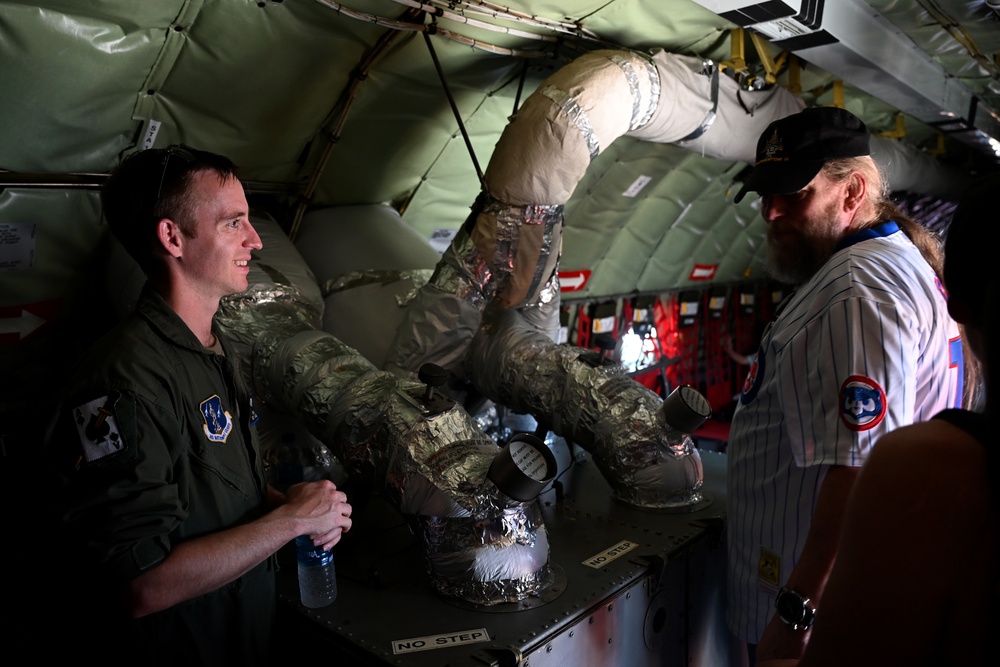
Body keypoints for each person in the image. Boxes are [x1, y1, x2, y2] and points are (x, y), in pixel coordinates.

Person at [45, 145, 353, 666]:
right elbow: (141, 584)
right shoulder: (123, 382)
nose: (256, 242)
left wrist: (291, 504)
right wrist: (289, 524)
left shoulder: (213, 347)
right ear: (172, 237)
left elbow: (212, 489)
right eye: (234, 223)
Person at [726, 106, 968, 664]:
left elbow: (862, 469)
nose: (771, 211)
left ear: (852, 191)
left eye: (794, 193)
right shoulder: (892, 263)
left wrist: (798, 613)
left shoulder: (855, 289)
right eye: (765, 193)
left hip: (812, 621)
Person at [758, 172, 999, 667]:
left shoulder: (930, 470)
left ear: (956, 301)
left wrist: (793, 622)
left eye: (794, 192)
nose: (772, 211)